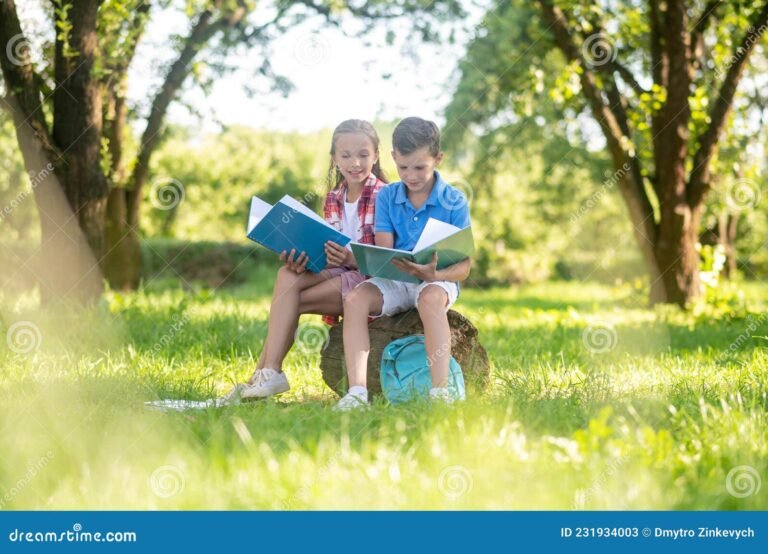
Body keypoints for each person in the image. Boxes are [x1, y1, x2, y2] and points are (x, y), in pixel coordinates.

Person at [233, 119, 388, 401]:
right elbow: (329, 252)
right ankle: (266, 374)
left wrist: (351, 257)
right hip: (339, 272)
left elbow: (385, 257)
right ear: (334, 159)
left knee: (288, 303)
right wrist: (303, 256)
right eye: (345, 155)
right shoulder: (333, 198)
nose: (355, 162)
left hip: (367, 280)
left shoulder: (385, 196)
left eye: (363, 154)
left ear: (376, 155)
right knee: (286, 275)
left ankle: (266, 373)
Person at [335, 117, 471, 411]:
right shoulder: (387, 196)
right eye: (404, 167)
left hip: (436, 278)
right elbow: (385, 249)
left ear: (438, 158)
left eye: (420, 167)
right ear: (394, 157)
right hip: (398, 277)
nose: (411, 176)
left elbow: (464, 268)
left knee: (431, 298)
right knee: (355, 298)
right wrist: (387, 263)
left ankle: (440, 392)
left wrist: (435, 273)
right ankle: (356, 393)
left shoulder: (454, 201)